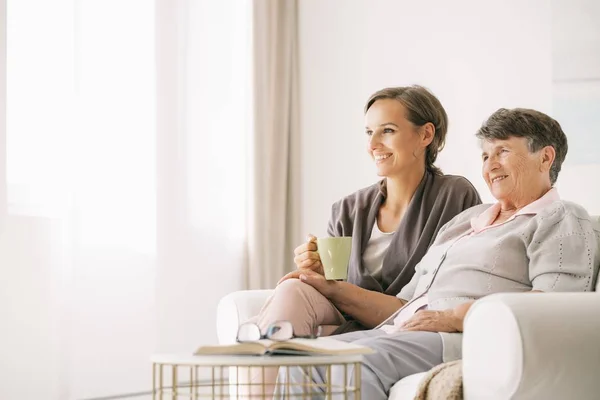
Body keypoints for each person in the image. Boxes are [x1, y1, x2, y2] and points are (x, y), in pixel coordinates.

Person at [275, 107, 600, 399]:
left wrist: (456, 317)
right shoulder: (465, 223)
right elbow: (402, 305)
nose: (491, 165)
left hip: (464, 337)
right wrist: (332, 288)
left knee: (347, 366)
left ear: (545, 158)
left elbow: (555, 308)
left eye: (503, 151)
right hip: (404, 330)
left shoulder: (559, 218)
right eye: (486, 156)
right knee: (303, 359)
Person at [240, 86, 481, 397]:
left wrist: (336, 288)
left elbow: (445, 284)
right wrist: (316, 268)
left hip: (407, 318)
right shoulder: (349, 208)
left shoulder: (454, 195)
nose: (373, 144)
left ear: (426, 136)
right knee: (292, 288)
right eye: (369, 132)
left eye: (387, 131)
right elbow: (336, 283)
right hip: (350, 316)